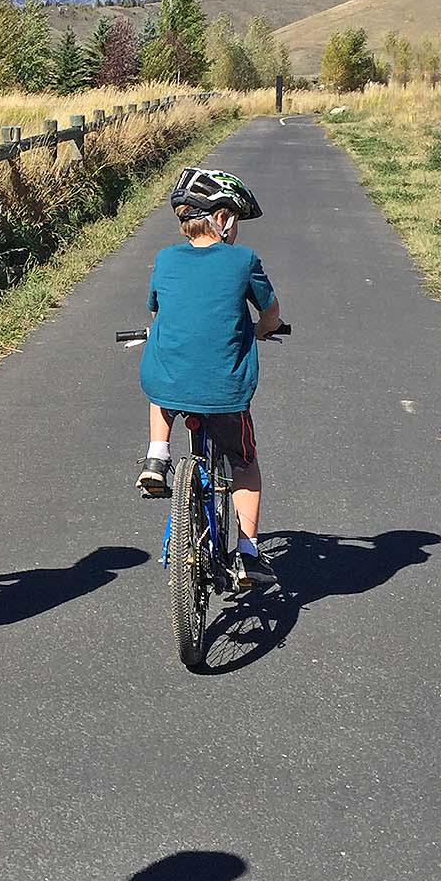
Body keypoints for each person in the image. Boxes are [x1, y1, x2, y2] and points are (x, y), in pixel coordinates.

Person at [135, 166, 283, 590]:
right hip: (225, 392)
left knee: (161, 376)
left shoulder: (165, 258)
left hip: (171, 382)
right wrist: (263, 328)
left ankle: (157, 456)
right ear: (221, 219)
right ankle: (249, 552)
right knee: (244, 462)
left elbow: (156, 310)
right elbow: (269, 313)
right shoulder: (243, 260)